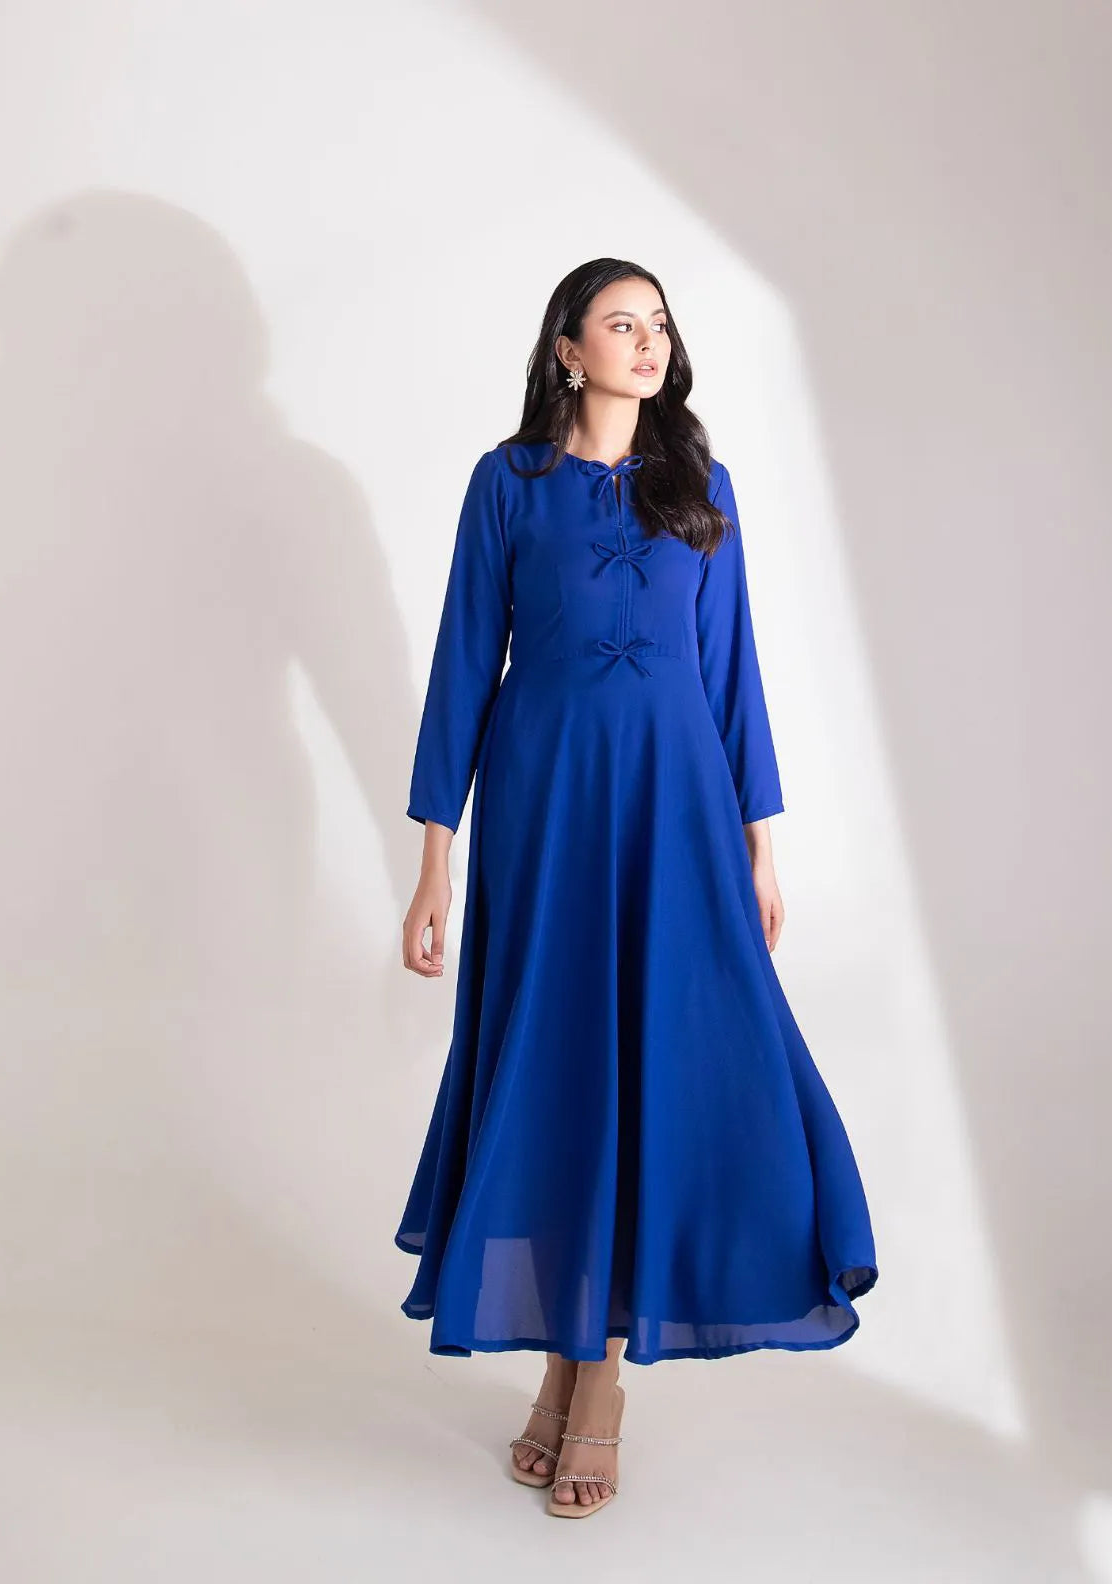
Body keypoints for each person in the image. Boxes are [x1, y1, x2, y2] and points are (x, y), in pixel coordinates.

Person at [396, 258, 878, 1519]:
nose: (648, 341)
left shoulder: (700, 487)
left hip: (677, 810)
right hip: (544, 807)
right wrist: (435, 858)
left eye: (658, 323)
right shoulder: (509, 484)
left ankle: (594, 1384)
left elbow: (732, 675)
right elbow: (462, 665)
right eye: (621, 323)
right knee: (557, 1068)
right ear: (568, 349)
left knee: (655, 1065)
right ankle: (571, 1365)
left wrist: (760, 843)